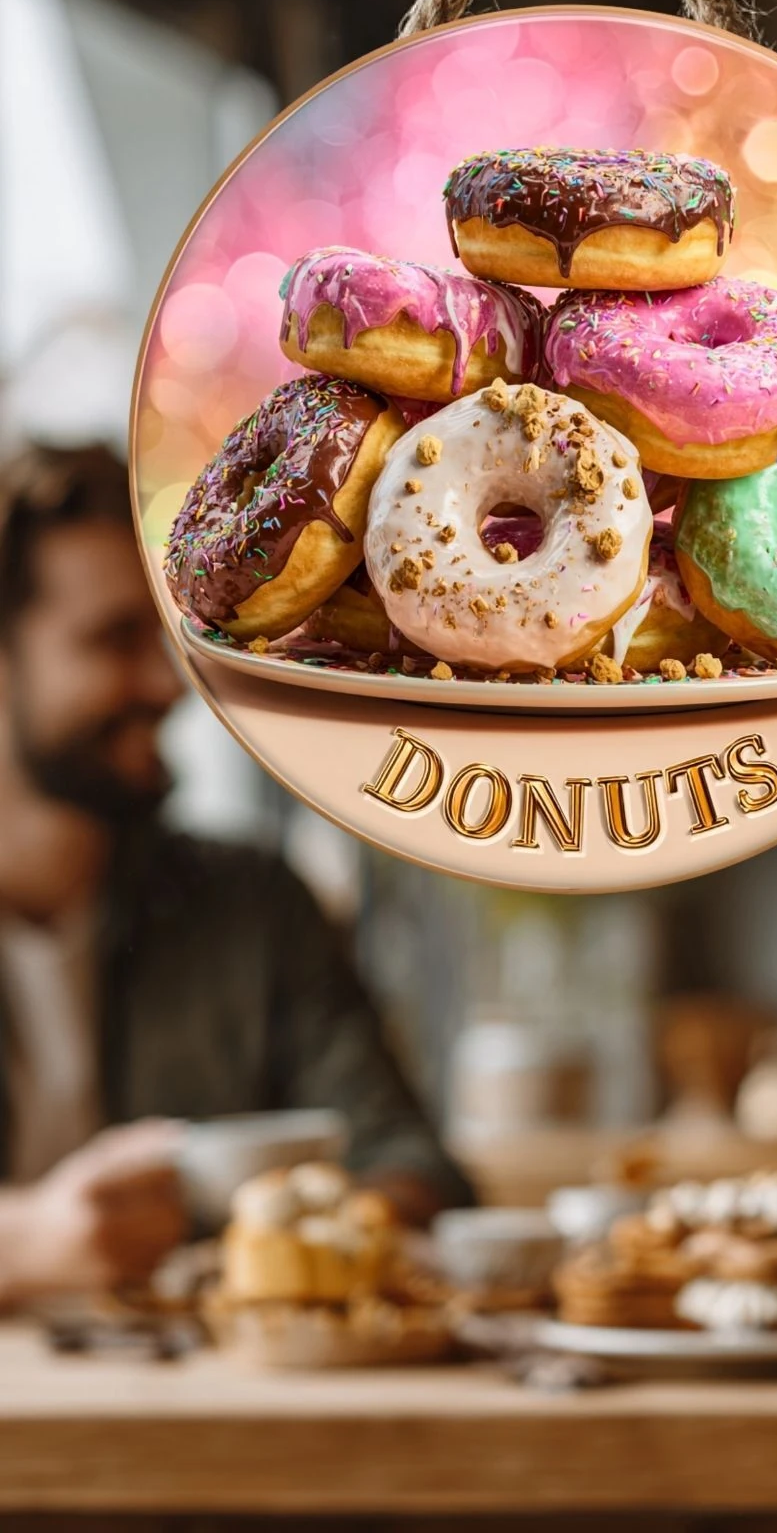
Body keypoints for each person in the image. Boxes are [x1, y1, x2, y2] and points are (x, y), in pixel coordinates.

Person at [0, 444, 472, 1305]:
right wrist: (25, 1242)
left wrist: (339, 1226)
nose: (166, 684)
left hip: (222, 1420)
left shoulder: (253, 906)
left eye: (163, 637)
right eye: (113, 639)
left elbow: (409, 1161)